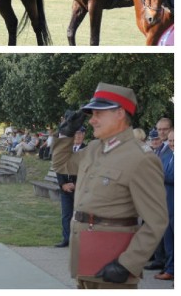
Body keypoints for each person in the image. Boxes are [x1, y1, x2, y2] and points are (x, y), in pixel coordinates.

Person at [52, 83, 168, 288]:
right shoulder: (95, 148)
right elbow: (62, 164)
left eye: (98, 113)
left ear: (120, 113)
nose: (92, 120)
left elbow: (156, 221)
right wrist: (65, 134)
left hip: (114, 260)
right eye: (92, 114)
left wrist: (127, 264)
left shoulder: (141, 158)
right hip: (86, 257)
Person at [55, 127, 86, 248]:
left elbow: (88, 170)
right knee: (66, 215)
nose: (78, 136)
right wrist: (63, 184)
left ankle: (79, 241)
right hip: (65, 188)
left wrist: (76, 184)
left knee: (80, 216)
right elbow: (58, 167)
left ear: (84, 135)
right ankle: (67, 239)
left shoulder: (87, 150)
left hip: (80, 188)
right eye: (76, 133)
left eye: (80, 133)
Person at [154, 130, 174, 280]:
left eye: (175, 140)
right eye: (171, 140)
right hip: (166, 204)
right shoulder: (168, 155)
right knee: (169, 240)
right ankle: (170, 270)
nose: (172, 143)